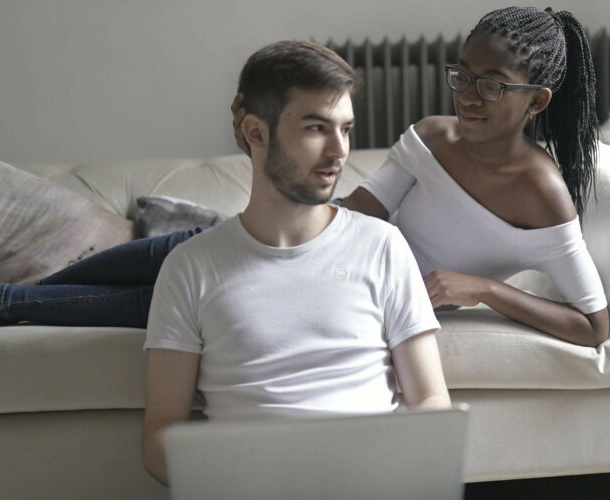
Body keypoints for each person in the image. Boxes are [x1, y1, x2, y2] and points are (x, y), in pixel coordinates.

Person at [0, 6, 608, 347]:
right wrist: (280, 235)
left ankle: (2, 300)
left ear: (538, 101)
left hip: (358, 290)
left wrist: (488, 289)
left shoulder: (542, 193)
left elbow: (593, 325)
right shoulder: (433, 134)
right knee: (183, 250)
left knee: (181, 297)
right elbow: (364, 206)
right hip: (324, 245)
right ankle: (20, 290)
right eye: (463, 75)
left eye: (493, 85)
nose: (470, 96)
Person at [141, 40, 451, 485]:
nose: (338, 150)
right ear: (256, 132)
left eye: (346, 129)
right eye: (316, 128)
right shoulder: (190, 267)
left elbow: (430, 402)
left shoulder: (383, 247)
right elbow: (159, 438)